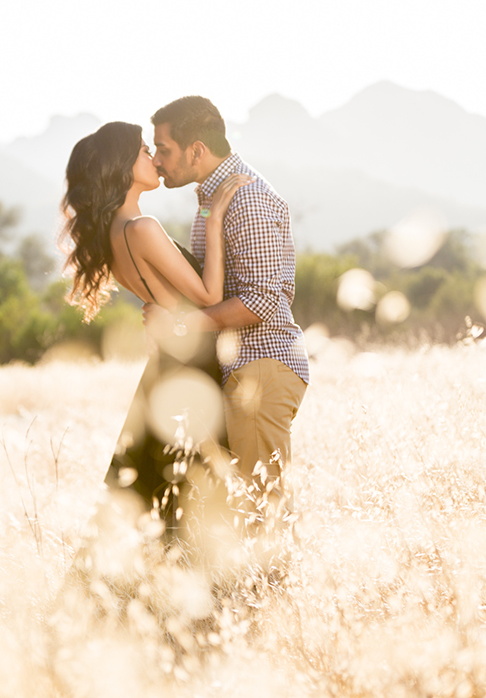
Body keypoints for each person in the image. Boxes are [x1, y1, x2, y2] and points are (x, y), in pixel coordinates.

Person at [61, 121, 249, 548]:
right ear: (123, 167)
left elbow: (166, 300)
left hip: (170, 361)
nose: (154, 159)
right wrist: (214, 216)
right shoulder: (141, 227)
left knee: (164, 491)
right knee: (192, 489)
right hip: (190, 363)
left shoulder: (115, 232)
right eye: (145, 152)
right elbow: (209, 294)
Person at [143, 96, 310, 534]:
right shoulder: (212, 200)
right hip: (240, 368)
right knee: (243, 510)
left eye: (164, 149)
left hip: (261, 367)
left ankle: (277, 601)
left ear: (197, 150)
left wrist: (180, 326)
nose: (158, 161)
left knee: (264, 513)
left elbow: (259, 302)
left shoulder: (246, 200)